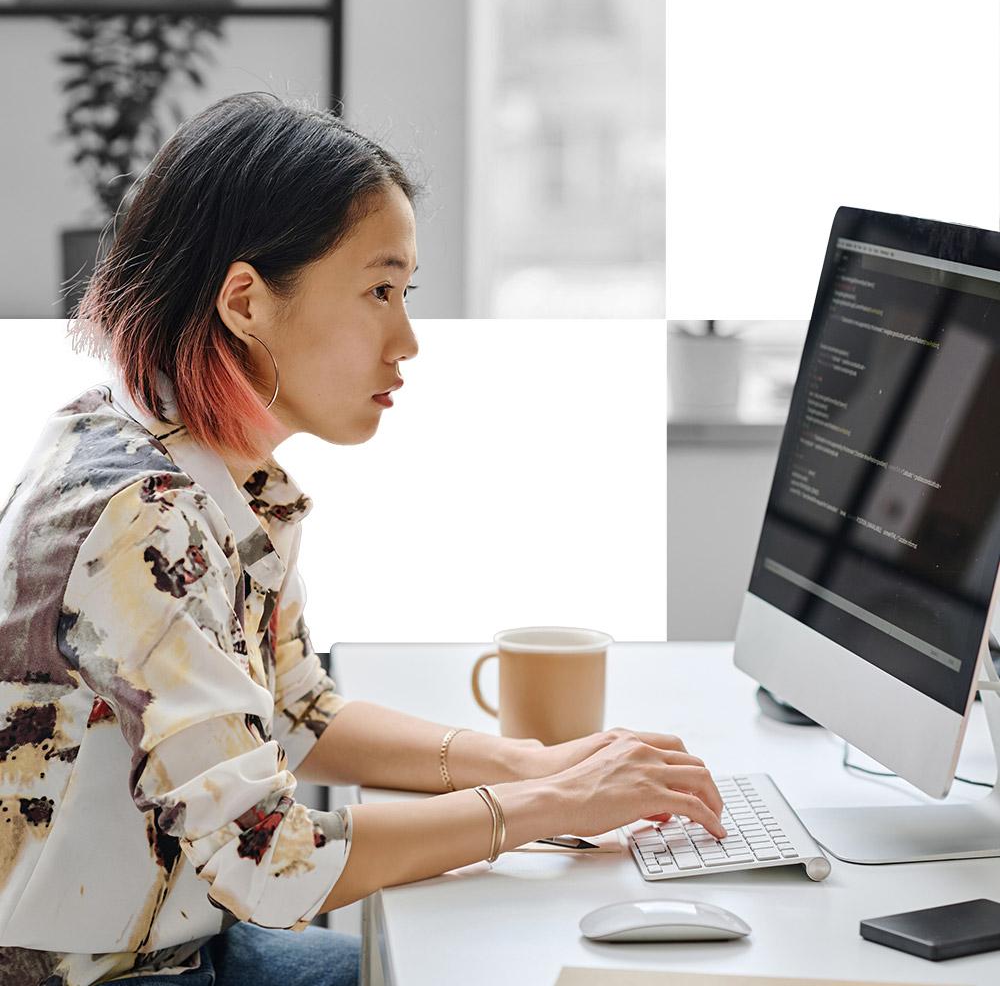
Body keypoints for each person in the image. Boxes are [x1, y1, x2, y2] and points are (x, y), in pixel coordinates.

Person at [0, 93, 726, 986]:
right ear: (246, 302)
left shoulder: (205, 465)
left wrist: (527, 762)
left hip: (183, 943)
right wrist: (547, 804)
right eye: (379, 291)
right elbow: (269, 861)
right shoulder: (141, 515)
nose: (408, 339)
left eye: (406, 293)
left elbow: (299, 713)